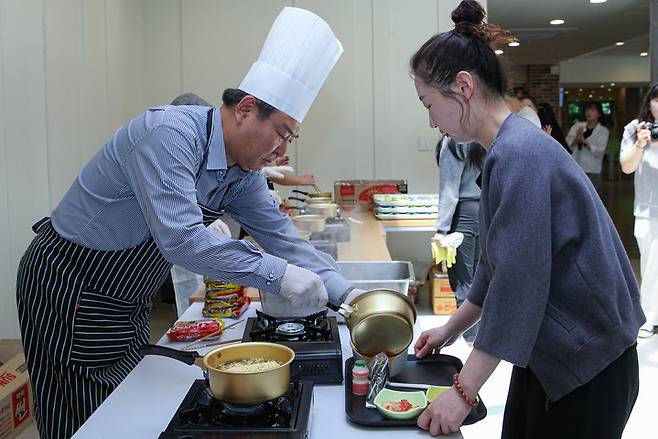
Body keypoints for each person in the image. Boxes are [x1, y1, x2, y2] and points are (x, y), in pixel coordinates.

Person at [15, 8, 365, 439]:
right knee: (82, 414)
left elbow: (285, 241)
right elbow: (182, 241)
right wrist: (277, 275)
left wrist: (347, 295)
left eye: (290, 138)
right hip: (71, 285)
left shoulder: (243, 173)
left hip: (126, 296)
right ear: (247, 109)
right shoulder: (169, 134)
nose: (281, 151)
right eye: (282, 132)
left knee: (125, 400)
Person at [409, 1, 643, 437]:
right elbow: (495, 268)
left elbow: (520, 283)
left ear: (462, 87)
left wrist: (463, 391)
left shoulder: (520, 153)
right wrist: (449, 328)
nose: (430, 119)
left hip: (587, 360)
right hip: (554, 348)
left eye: (428, 102)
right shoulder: (503, 149)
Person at [434, 136, 485, 344]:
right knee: (481, 279)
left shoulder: (452, 143)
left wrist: (441, 229)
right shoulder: (482, 139)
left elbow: (449, 191)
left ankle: (472, 340)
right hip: (485, 211)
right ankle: (481, 337)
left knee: (463, 280)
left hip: (462, 215)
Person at [619, 83, 658, 339]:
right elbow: (626, 166)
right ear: (649, 102)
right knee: (651, 264)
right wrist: (641, 145)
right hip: (648, 209)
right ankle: (649, 317)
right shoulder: (635, 129)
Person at [566, 102, 610, 190]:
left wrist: (584, 142)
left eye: (593, 110)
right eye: (587, 110)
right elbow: (567, 143)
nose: (589, 112)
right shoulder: (578, 126)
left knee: (591, 198)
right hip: (577, 167)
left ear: (599, 114)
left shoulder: (603, 131)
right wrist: (576, 139)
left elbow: (600, 150)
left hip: (592, 169)